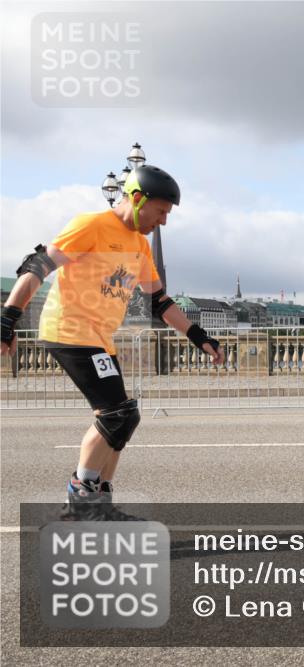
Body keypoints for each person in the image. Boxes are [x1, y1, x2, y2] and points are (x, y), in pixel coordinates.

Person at [0, 165, 224, 519]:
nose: (163, 222)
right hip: (69, 330)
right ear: (137, 199)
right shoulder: (90, 225)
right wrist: (8, 319)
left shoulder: (139, 246)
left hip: (101, 340)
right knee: (117, 414)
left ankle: (98, 505)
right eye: (161, 211)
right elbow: (37, 266)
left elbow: (160, 302)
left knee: (121, 420)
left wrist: (199, 337)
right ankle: (80, 500)